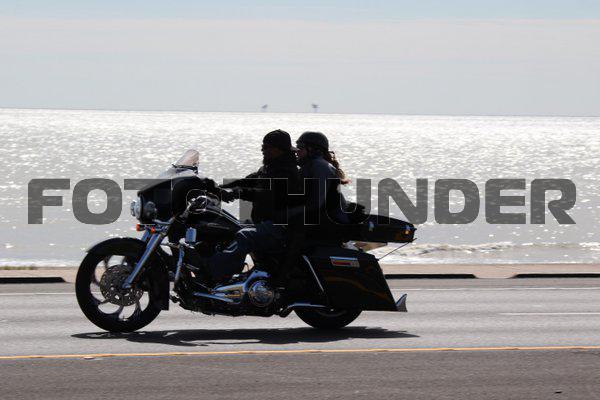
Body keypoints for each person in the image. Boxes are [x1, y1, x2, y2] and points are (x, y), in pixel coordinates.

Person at [202, 130, 300, 283]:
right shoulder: (269, 168)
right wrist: (218, 187)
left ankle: (212, 274)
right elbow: (246, 182)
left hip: (280, 227)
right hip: (265, 223)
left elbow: (265, 194)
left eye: (266, 147)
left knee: (245, 236)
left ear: (278, 149)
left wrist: (236, 193)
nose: (262, 150)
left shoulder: (287, 172)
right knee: (226, 227)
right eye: (262, 146)